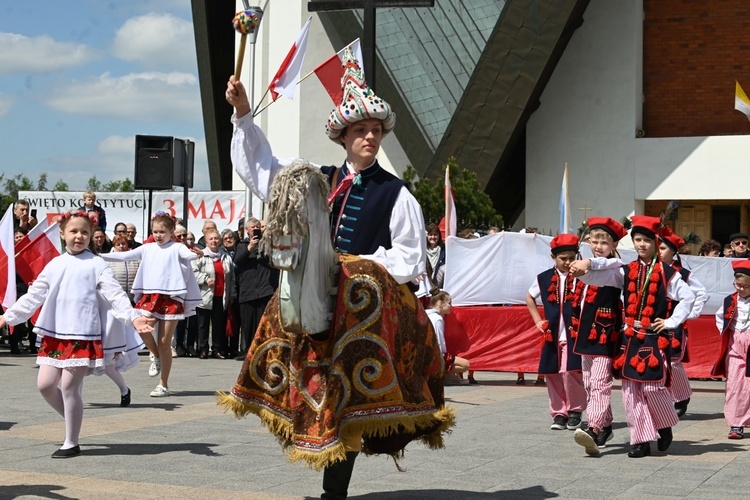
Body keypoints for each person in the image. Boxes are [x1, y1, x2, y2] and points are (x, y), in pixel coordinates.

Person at [227, 48, 432, 500]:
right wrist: (243, 114)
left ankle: (333, 491)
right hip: (314, 301)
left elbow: (410, 257)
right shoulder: (316, 179)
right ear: (343, 136)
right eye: (361, 130)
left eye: (376, 131)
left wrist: (360, 266)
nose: (370, 137)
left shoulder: (396, 194)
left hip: (360, 312)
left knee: (349, 398)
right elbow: (265, 172)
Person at [0, 211, 154, 458]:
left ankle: (71, 441)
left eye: (84, 232)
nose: (79, 236)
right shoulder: (55, 264)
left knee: (70, 388)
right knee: (45, 385)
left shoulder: (97, 264)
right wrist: (6, 317)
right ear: (62, 235)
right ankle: (75, 417)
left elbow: (115, 296)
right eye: (73, 231)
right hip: (55, 334)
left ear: (92, 235)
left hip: (83, 335)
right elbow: (33, 296)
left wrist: (133, 317)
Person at [570, 215, 695, 458]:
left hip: (653, 337)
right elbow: (602, 275)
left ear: (656, 243)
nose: (641, 245)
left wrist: (670, 322)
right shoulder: (627, 270)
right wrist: (586, 268)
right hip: (630, 338)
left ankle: (663, 423)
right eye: (637, 240)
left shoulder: (667, 273)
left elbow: (689, 298)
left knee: (652, 388)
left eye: (647, 240)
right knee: (630, 391)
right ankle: (641, 441)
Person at [101, 212, 202, 397]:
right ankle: (155, 355)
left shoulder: (176, 247)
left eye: (162, 231)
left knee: (165, 342)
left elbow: (188, 254)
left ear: (171, 231)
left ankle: (163, 384)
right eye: (155, 231)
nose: (158, 235)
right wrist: (99, 256)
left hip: (171, 298)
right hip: (150, 296)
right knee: (142, 328)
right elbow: (124, 256)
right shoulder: (147, 248)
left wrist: (195, 253)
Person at [571, 217, 627, 456]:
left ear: (614, 244)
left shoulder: (616, 268)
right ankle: (606, 425)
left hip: (606, 334)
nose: (598, 246)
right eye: (594, 241)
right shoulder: (588, 265)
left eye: (604, 242)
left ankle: (593, 428)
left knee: (601, 382)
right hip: (587, 332)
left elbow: (601, 268)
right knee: (588, 382)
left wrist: (587, 264)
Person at [526, 233, 586, 432]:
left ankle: (575, 409)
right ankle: (559, 412)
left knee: (570, 371)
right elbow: (529, 297)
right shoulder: (543, 278)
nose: (568, 262)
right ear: (553, 258)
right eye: (563, 259)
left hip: (573, 333)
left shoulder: (582, 277)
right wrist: (538, 321)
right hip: (552, 333)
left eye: (571, 258)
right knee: (552, 373)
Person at [659, 228, 708, 418]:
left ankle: (681, 397)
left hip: (675, 324)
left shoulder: (683, 273)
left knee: (673, 361)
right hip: (654, 322)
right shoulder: (651, 270)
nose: (659, 251)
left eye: (663, 248)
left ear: (673, 251)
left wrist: (688, 314)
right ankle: (663, 398)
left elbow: (701, 293)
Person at [712, 260, 750, 439]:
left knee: (748, 385)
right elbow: (720, 317)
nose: (741, 289)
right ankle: (736, 424)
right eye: (738, 285)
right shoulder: (730, 300)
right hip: (735, 343)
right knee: (735, 384)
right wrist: (725, 330)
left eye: (746, 286)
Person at [233, 217, 278, 360]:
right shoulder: (242, 244)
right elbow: (237, 261)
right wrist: (250, 248)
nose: (255, 229)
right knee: (248, 323)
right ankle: (249, 352)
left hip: (265, 290)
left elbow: (275, 259)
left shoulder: (269, 243)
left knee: (263, 324)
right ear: (247, 230)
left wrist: (266, 244)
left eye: (258, 226)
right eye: (252, 227)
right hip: (248, 291)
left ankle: (263, 352)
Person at [192, 228, 234, 359]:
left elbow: (231, 277)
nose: (214, 241)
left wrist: (232, 294)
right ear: (206, 241)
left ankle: (217, 349)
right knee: (203, 325)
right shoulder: (200, 255)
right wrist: (204, 278)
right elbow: (193, 273)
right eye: (211, 239)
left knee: (218, 324)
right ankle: (203, 349)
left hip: (221, 296)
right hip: (205, 295)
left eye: (216, 238)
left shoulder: (225, 256)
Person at [426, 289, 470, 380]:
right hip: (436, 355)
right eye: (449, 303)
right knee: (465, 365)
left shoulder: (427, 315)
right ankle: (442, 373)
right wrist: (442, 357)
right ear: (440, 303)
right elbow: (438, 341)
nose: (451, 306)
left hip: (431, 353)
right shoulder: (437, 319)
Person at [426, 223, 446, 289]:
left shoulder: (444, 250)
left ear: (439, 236)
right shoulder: (422, 250)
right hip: (425, 281)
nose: (433, 237)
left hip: (437, 283)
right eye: (430, 235)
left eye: (435, 235)